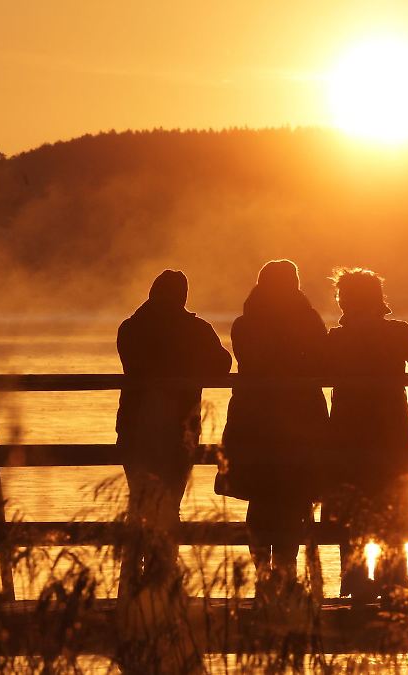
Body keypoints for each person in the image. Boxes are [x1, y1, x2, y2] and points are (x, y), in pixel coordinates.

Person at [115, 269, 230, 672]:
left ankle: (130, 583)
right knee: (170, 506)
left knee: (138, 503)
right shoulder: (194, 330)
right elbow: (222, 365)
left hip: (133, 428)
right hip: (178, 431)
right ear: (181, 296)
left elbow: (132, 365)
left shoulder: (130, 328)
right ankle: (162, 582)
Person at [322, 268, 408, 605]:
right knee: (394, 507)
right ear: (377, 299)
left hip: (348, 434)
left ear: (346, 301)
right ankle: (394, 579)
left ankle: (355, 579)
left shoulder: (336, 339)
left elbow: (314, 369)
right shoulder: (397, 333)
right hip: (391, 432)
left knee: (352, 509)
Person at [216, 260, 328, 595]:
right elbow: (323, 359)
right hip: (300, 417)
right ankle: (286, 573)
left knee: (261, 496)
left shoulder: (245, 324)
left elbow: (250, 361)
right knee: (291, 498)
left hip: (253, 419)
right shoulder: (307, 321)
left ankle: (264, 574)